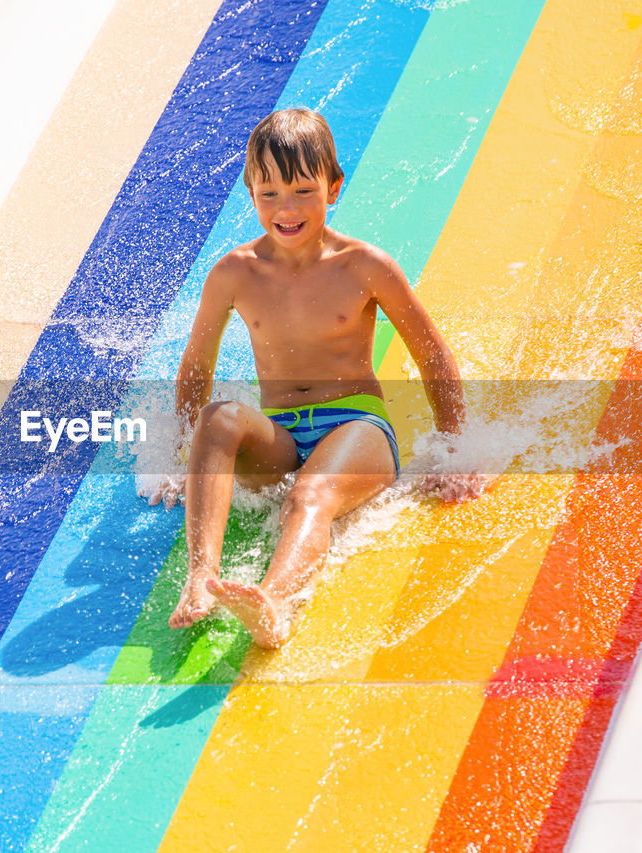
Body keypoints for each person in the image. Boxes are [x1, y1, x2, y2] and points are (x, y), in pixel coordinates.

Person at [141, 108, 482, 648]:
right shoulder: (234, 273)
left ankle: (272, 603)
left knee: (310, 494)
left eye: (303, 190)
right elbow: (196, 366)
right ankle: (201, 578)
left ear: (334, 187)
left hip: (356, 429)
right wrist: (183, 455)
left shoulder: (363, 265)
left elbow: (432, 354)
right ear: (250, 189)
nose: (287, 209)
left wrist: (457, 449)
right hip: (279, 433)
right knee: (220, 416)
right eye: (269, 193)